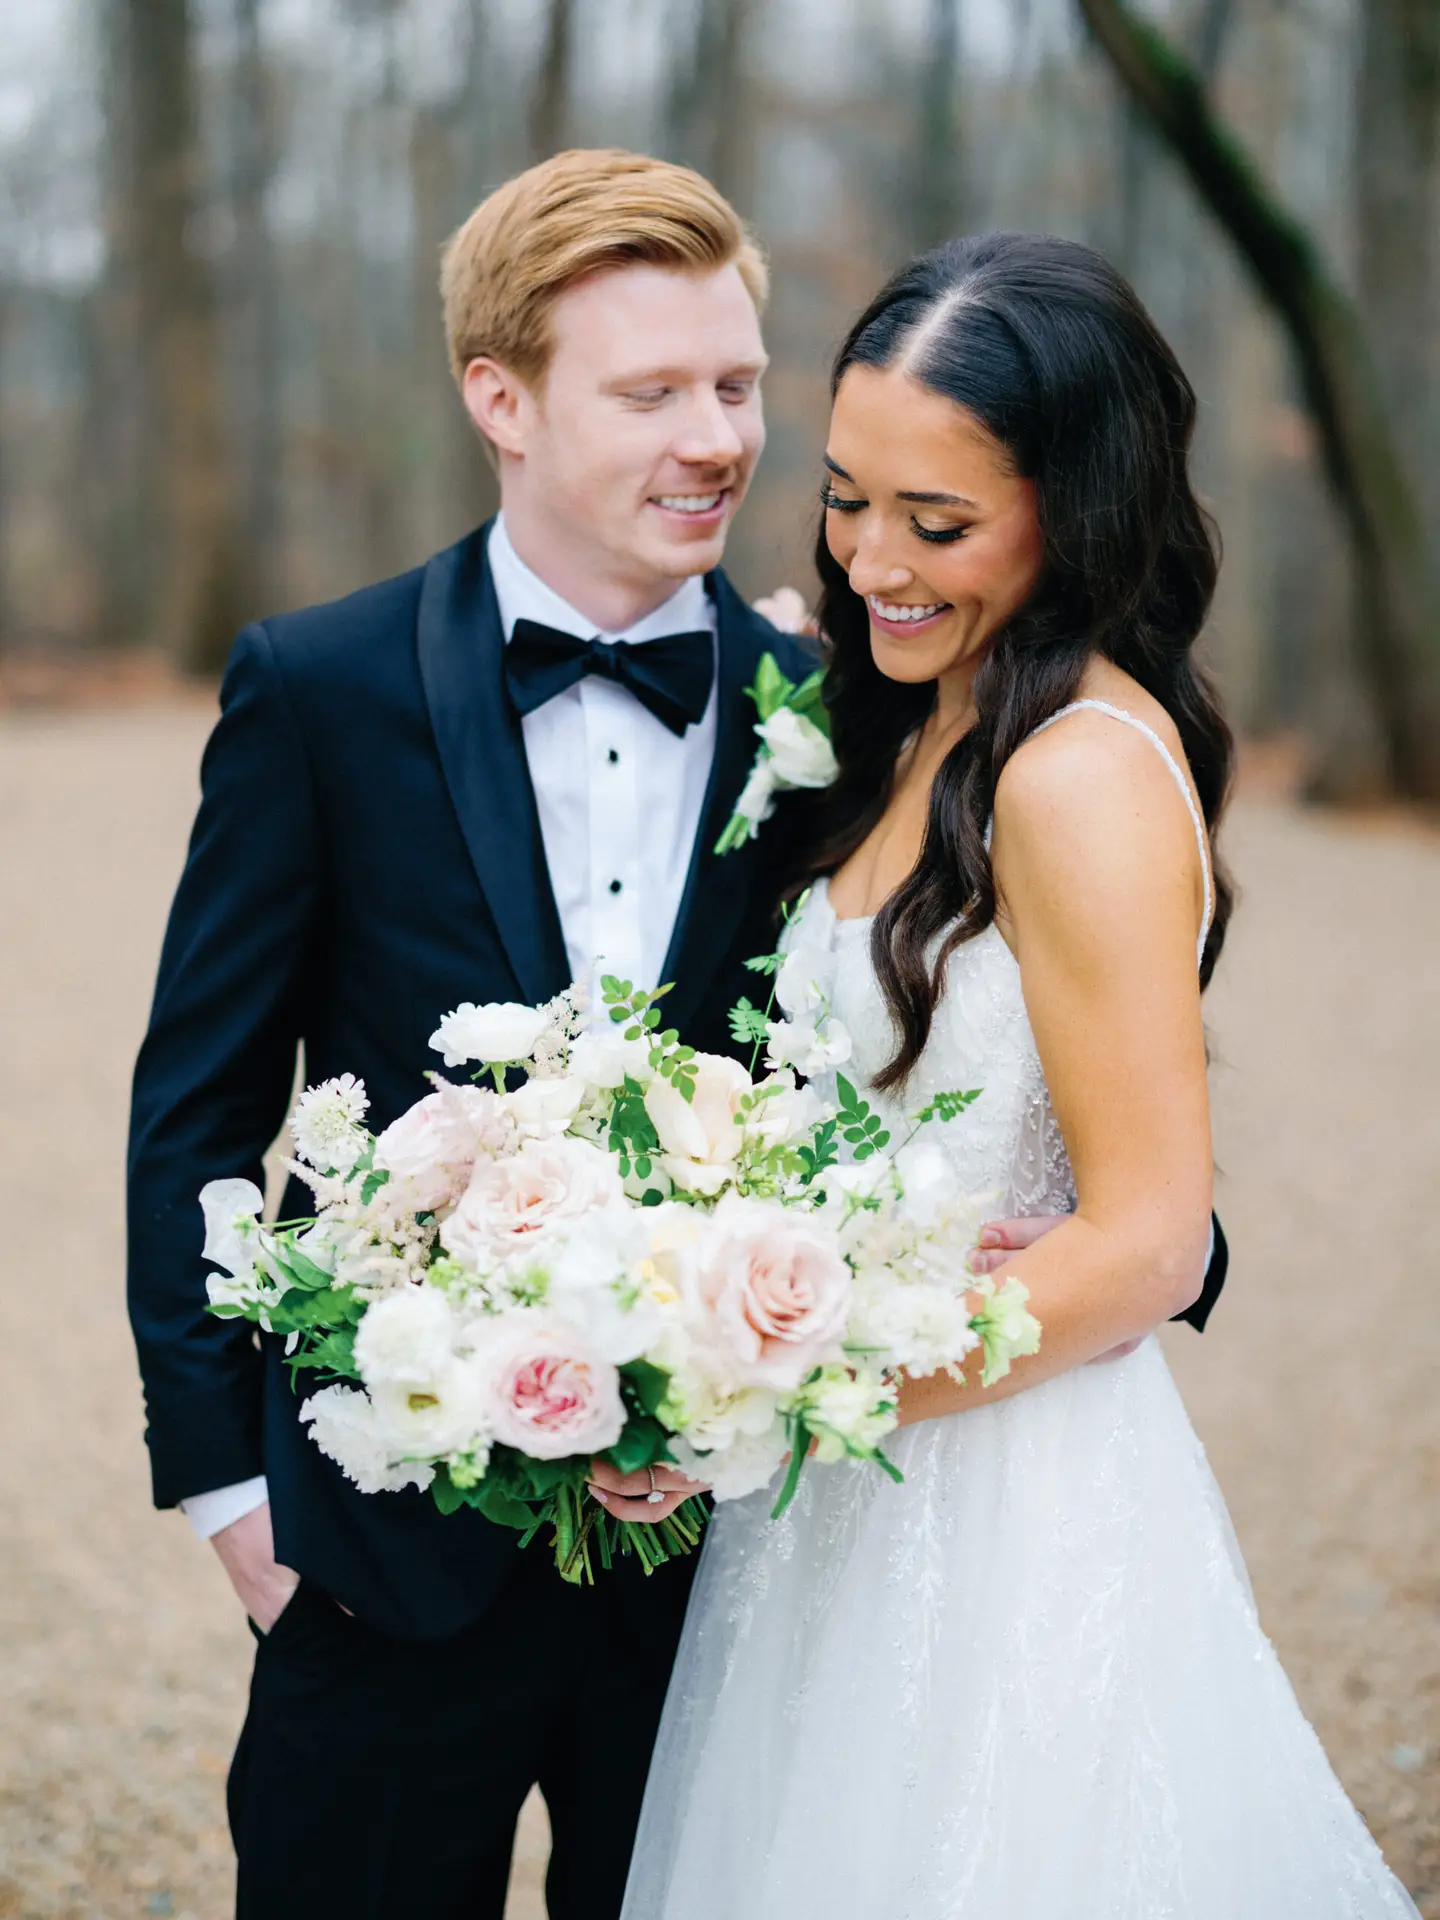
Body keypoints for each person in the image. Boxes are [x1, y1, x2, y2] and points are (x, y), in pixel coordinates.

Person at [619, 234, 1420, 1919]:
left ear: (1079, 510)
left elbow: (1151, 1242)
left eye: (938, 522)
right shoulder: (919, 717)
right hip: (843, 1490)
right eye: (847, 498)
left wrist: (760, 1394)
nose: (873, 563)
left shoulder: (1075, 778)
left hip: (1001, 1506)